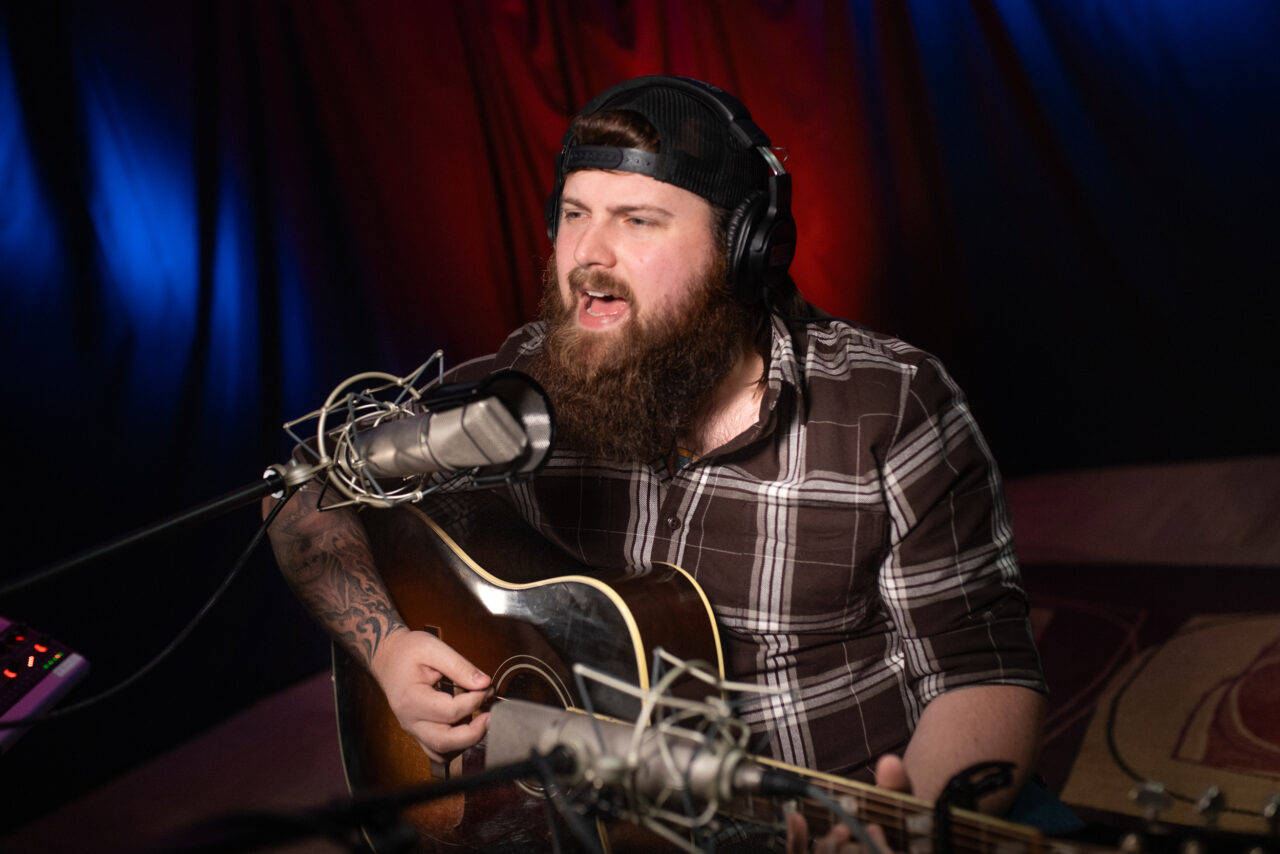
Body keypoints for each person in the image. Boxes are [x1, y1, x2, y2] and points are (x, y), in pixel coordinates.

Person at [266, 75, 1048, 849]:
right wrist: (388, 651)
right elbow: (302, 490)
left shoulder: (890, 405)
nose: (588, 255)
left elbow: (982, 675)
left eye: (637, 220)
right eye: (574, 214)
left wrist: (910, 831)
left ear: (742, 252)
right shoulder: (519, 393)